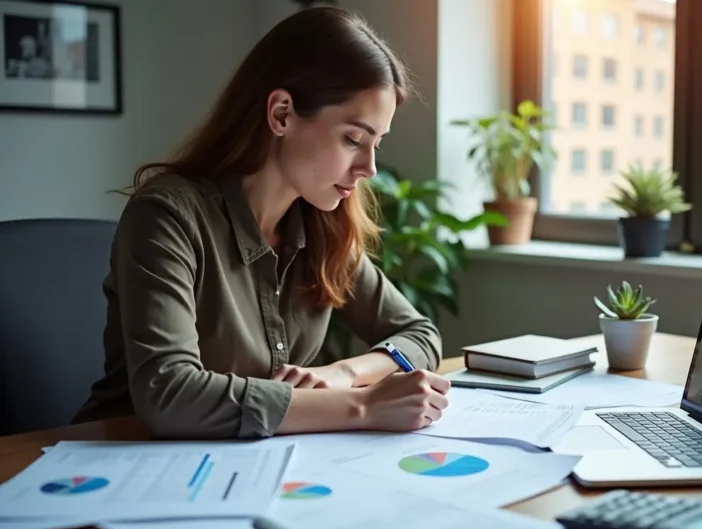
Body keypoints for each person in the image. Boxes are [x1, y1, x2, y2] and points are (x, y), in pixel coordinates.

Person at [73, 7, 450, 439]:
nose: (369, 167)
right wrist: (360, 404)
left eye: (376, 144)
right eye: (353, 139)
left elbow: (420, 334)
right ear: (282, 113)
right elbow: (168, 393)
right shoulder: (167, 217)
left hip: (249, 464)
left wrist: (346, 373)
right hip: (120, 463)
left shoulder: (325, 227)